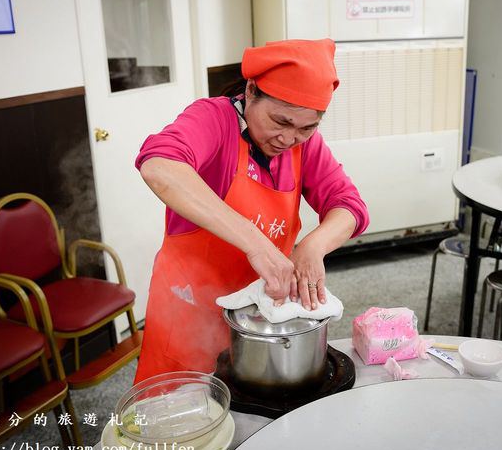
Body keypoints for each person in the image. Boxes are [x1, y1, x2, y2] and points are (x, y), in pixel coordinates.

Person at [133, 39, 369, 383]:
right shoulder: (214, 119)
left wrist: (311, 247)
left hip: (259, 317)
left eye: (307, 127)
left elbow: (349, 206)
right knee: (182, 413)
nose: (289, 139)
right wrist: (257, 244)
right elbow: (160, 167)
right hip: (190, 309)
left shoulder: (305, 146)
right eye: (280, 121)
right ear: (251, 91)